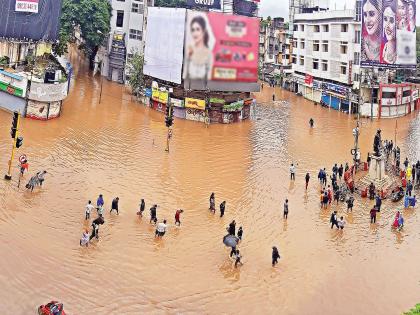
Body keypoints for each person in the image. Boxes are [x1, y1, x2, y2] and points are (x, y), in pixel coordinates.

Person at [184, 15, 212, 80]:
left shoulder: (208, 52)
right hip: (190, 84)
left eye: (198, 29)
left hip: (202, 86)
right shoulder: (189, 48)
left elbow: (208, 75)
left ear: (203, 31)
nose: (195, 33)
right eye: (193, 30)